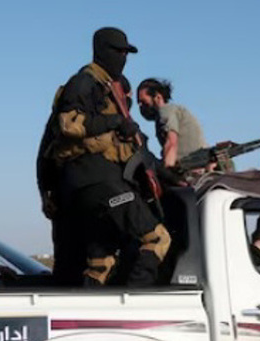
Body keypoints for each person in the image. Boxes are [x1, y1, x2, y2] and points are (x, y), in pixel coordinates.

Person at [42, 27, 171, 286]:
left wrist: (171, 173)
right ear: (102, 50)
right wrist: (114, 122)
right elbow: (69, 123)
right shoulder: (85, 82)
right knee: (156, 238)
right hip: (95, 180)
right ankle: (134, 302)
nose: (123, 58)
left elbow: (139, 154)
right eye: (118, 51)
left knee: (101, 263)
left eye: (126, 53)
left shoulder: (108, 91)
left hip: (97, 184)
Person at [137, 78, 208, 170]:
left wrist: (168, 172)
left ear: (158, 97)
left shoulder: (165, 110)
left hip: (188, 168)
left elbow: (171, 142)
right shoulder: (176, 110)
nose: (141, 107)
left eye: (144, 102)